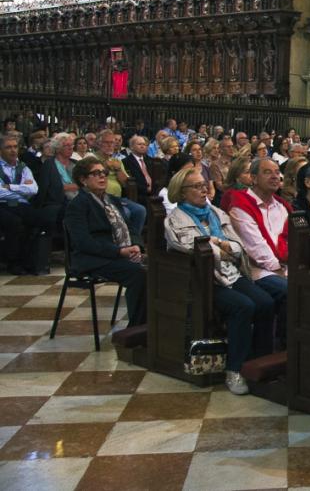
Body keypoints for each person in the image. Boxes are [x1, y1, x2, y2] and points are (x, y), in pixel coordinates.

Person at [165, 166, 274, 395]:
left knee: (265, 302)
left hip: (230, 273)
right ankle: (234, 370)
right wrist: (218, 244)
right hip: (204, 281)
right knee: (243, 307)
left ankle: (258, 360)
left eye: (205, 184)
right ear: (182, 192)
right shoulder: (175, 219)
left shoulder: (215, 212)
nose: (204, 189)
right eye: (197, 186)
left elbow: (237, 246)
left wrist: (222, 246)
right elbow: (189, 247)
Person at [63, 156, 147, 327]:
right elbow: (83, 242)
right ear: (83, 179)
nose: (102, 177)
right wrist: (119, 252)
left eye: (104, 172)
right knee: (139, 274)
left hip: (117, 254)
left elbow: (130, 228)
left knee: (159, 268)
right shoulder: (78, 205)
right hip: (94, 258)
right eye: (96, 173)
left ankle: (156, 327)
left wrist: (136, 245)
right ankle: (137, 329)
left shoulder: (111, 200)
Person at [225, 158, 291, 344]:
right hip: (258, 272)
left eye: (277, 172)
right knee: (292, 291)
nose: (275, 176)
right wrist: (283, 272)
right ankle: (283, 347)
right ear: (253, 178)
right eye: (267, 172)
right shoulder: (241, 206)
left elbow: (292, 240)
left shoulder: (283, 206)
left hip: (285, 267)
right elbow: (256, 248)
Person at [0, 133, 46, 274]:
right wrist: (22, 189)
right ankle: (13, 262)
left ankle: (30, 261)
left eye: (15, 147)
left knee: (40, 219)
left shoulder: (23, 167)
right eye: (8, 147)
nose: (13, 150)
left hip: (21, 205)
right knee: (14, 222)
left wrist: (11, 187)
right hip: (2, 204)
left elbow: (33, 189)